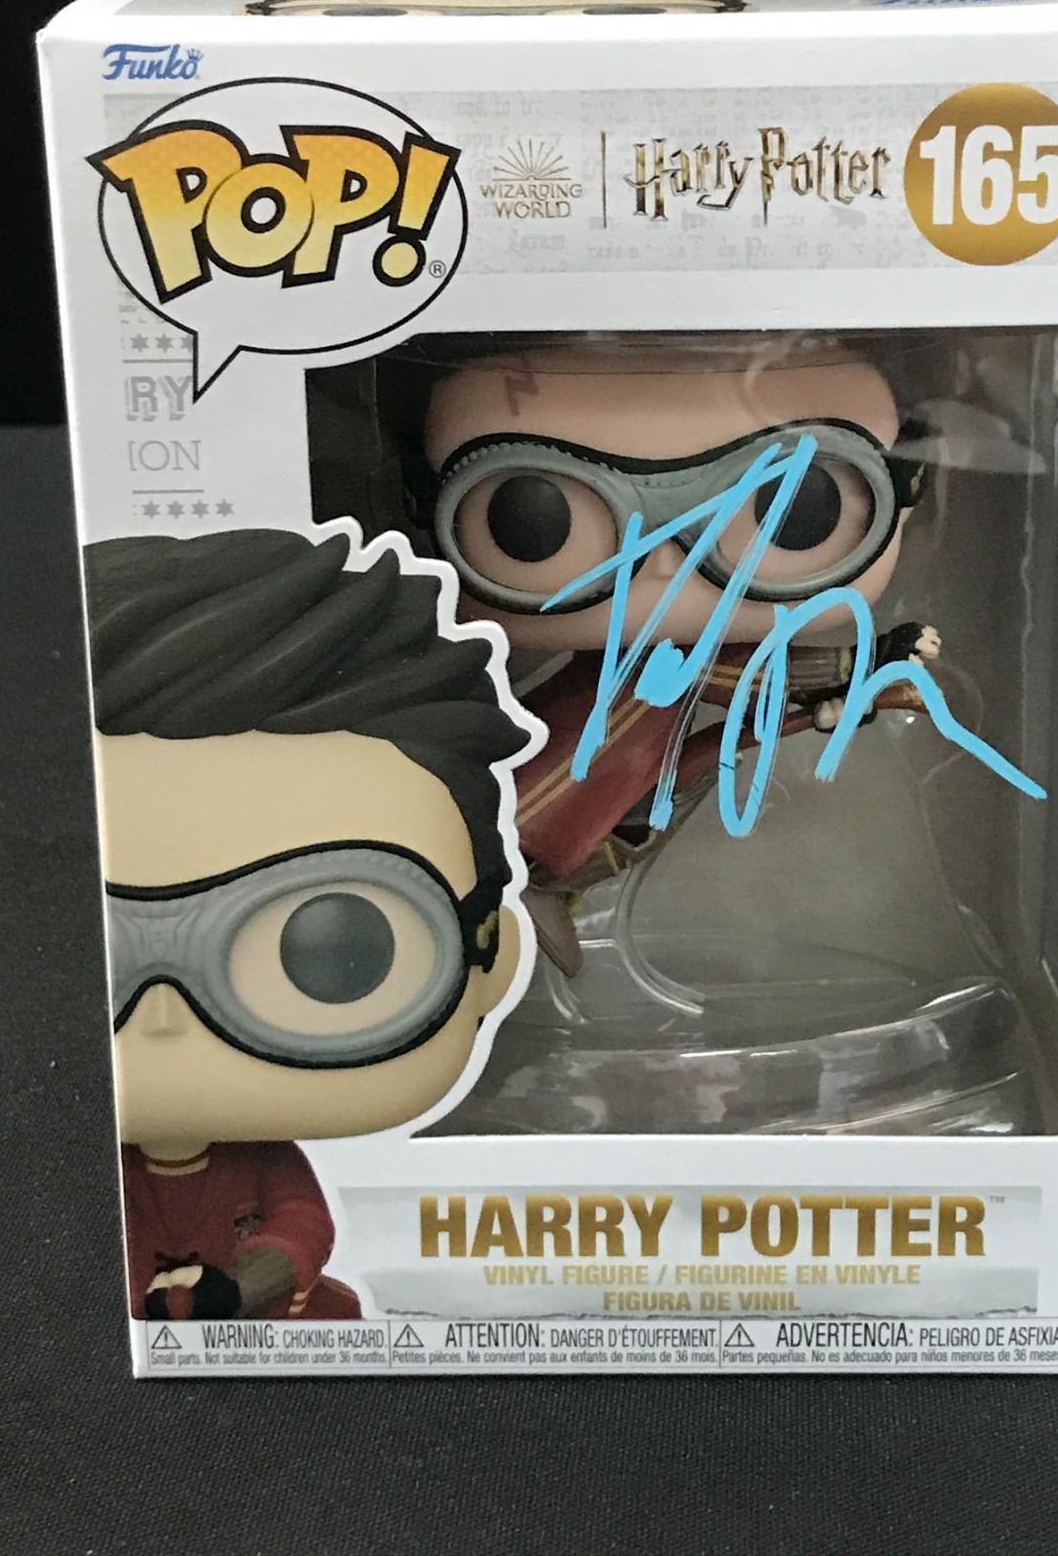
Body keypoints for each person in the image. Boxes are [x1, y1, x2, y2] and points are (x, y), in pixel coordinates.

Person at [84, 528, 535, 1319]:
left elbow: (300, 1224)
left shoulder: (264, 1164)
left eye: (337, 949)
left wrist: (242, 1284)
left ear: (489, 955)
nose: (161, 1021)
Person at [409, 334, 939, 972]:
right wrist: (858, 666)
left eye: (795, 510)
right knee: (616, 808)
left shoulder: (652, 668)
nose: (663, 561)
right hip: (566, 782)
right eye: (530, 521)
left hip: (606, 771)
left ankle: (536, 882)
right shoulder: (650, 667)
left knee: (647, 802)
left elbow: (734, 695)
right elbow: (734, 678)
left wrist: (839, 689)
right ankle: (526, 881)